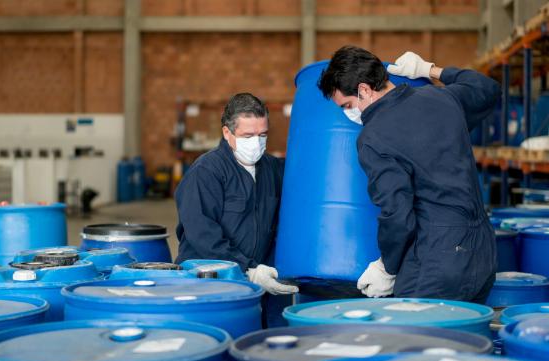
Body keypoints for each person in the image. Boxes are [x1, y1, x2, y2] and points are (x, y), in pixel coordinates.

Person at [318, 47, 500, 303]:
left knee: (415, 339)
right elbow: (487, 89)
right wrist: (430, 69)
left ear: (365, 90)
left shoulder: (373, 138)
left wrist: (386, 268)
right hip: (482, 253)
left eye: (347, 105)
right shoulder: (442, 98)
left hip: (437, 261)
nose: (349, 113)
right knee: (467, 339)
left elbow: (397, 215)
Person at [175, 93, 298, 303]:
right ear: (227, 132)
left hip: (260, 279)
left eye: (262, 135)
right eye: (248, 136)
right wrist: (246, 268)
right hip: (209, 280)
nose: (256, 143)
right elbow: (203, 236)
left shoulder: (273, 169)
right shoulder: (206, 172)